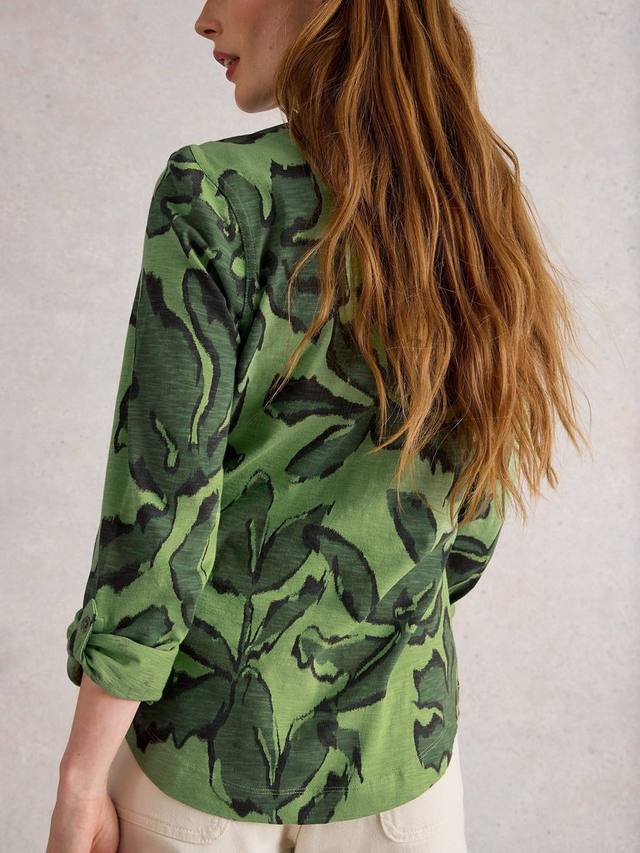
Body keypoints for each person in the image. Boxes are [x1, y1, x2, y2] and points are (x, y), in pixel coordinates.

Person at [46, 1, 589, 851]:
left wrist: (81, 779)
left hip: (202, 771)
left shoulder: (216, 195)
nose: (203, 20)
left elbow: (160, 514)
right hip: (400, 776)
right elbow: (475, 512)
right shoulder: (472, 200)